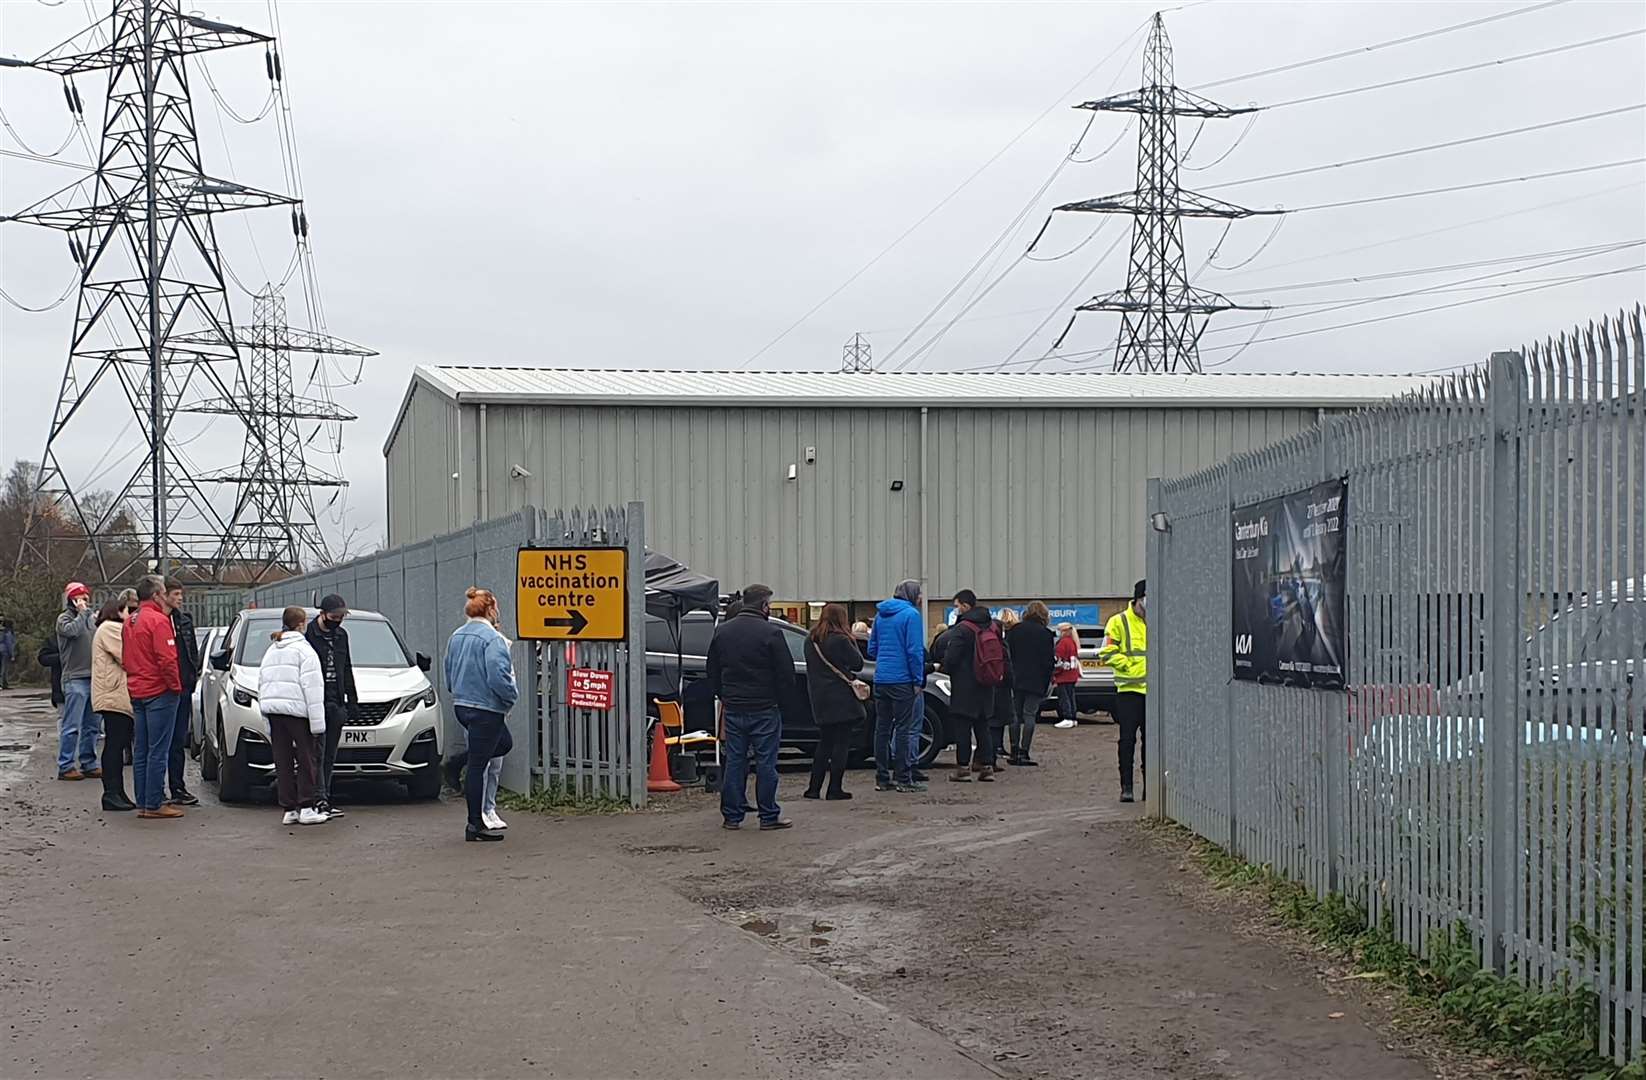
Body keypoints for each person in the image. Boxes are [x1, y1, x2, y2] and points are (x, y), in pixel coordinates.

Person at [706, 584, 794, 830]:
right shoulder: (771, 633)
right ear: (764, 605)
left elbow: (712, 669)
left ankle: (731, 816)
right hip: (765, 706)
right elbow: (785, 673)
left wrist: (724, 695)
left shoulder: (723, 632)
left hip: (734, 705)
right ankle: (768, 815)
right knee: (766, 762)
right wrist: (780, 701)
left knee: (735, 761)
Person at [444, 587, 518, 842]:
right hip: (486, 708)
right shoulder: (492, 639)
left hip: (463, 705)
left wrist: (457, 691)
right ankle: (474, 824)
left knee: (502, 744)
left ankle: (456, 762)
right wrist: (511, 697)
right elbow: (499, 676)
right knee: (478, 766)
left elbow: (449, 669)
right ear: (490, 609)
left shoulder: (457, 635)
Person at [258, 606, 330, 826]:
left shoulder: (272, 650)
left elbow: (262, 682)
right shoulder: (305, 651)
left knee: (283, 760)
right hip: (298, 713)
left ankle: (289, 808)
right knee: (308, 758)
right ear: (302, 623)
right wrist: (318, 723)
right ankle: (307, 806)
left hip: (274, 711)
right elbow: (314, 688)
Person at [123, 575, 183, 819]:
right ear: (157, 595)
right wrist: (175, 687)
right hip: (159, 691)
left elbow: (126, 656)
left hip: (137, 689)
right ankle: (155, 802)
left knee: (142, 750)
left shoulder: (131, 620)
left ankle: (144, 801)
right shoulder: (159, 620)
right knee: (159, 750)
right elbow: (167, 659)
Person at [866, 579, 925, 793]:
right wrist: (918, 680)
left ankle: (882, 778)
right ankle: (903, 778)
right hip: (902, 680)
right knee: (903, 728)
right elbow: (915, 651)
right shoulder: (911, 616)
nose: (920, 598)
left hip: (881, 678)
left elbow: (872, 649)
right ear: (911, 595)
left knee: (881, 729)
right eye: (918, 594)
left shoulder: (881, 616)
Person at [306, 594, 360, 819]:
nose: (337, 621)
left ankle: (325, 795)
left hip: (335, 700)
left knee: (329, 754)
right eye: (334, 617)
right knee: (315, 752)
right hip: (315, 700)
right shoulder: (308, 636)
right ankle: (317, 799)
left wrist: (352, 700)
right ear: (322, 614)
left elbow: (346, 667)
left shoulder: (341, 636)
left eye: (340, 617)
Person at [802, 603, 863, 801]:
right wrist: (851, 641)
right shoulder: (841, 640)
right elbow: (858, 663)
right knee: (842, 743)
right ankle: (834, 788)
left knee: (825, 742)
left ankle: (813, 788)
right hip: (841, 695)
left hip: (819, 696)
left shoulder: (811, 640)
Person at [1099, 579, 1148, 802]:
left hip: (1154, 693)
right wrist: (1130, 666)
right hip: (1128, 690)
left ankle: (1151, 788)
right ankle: (1126, 787)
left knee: (1152, 743)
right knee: (1127, 740)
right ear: (1138, 598)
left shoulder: (1158, 619)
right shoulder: (1118, 622)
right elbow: (1107, 652)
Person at [941, 592, 998, 783]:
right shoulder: (993, 626)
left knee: (963, 729)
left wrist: (945, 668)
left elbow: (951, 658)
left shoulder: (962, 629)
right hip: (987, 684)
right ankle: (987, 767)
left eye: (957, 605)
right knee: (983, 727)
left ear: (965, 606)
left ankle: (963, 769)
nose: (956, 609)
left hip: (965, 686)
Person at [91, 592, 138, 811]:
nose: (132, 615)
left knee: (117, 744)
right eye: (128, 610)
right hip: (113, 695)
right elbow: (127, 655)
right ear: (117, 612)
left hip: (116, 694)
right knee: (114, 744)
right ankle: (111, 793)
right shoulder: (110, 629)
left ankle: (117, 792)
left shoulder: (111, 629)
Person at [54, 582, 102, 782]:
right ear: (72, 600)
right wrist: (82, 614)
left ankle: (89, 762)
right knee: (72, 725)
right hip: (74, 677)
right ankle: (65, 765)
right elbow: (72, 631)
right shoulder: (64, 619)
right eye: (79, 597)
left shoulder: (90, 618)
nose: (84, 600)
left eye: (85, 597)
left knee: (93, 726)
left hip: (93, 677)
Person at [164, 578, 201, 807]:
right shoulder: (158, 621)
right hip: (164, 689)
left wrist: (192, 676)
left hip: (183, 687)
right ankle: (156, 790)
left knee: (178, 740)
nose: (180, 598)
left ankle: (177, 786)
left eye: (181, 594)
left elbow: (192, 651)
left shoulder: (184, 621)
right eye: (175, 594)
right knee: (160, 742)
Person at [1005, 601, 1056, 765]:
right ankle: (1024, 751)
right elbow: (1048, 662)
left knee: (1015, 716)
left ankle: (1013, 751)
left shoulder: (1014, 631)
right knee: (1029, 715)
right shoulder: (1046, 634)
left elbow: (1007, 655)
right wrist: (1047, 681)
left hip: (1016, 678)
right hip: (1036, 680)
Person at [988, 607, 1018, 770]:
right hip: (1001, 690)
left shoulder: (984, 644)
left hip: (987, 688)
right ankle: (991, 759)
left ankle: (987, 758)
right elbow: (1008, 669)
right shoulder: (1001, 645)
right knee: (997, 725)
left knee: (988, 725)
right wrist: (1012, 683)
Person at [1052, 622, 1081, 729]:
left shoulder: (1063, 643)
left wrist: (1054, 672)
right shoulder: (1073, 642)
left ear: (1064, 631)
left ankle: (1067, 717)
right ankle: (1073, 718)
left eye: (1059, 630)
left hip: (1063, 675)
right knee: (1071, 697)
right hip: (1072, 675)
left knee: (1064, 698)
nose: (1058, 632)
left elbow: (1058, 659)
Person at [0, 618, 15, 690]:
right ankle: (3, 684)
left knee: (1, 668)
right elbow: (9, 644)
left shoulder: (2, 632)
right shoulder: (8, 633)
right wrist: (12, 654)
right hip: (5, 651)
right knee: (4, 668)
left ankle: (3, 684)